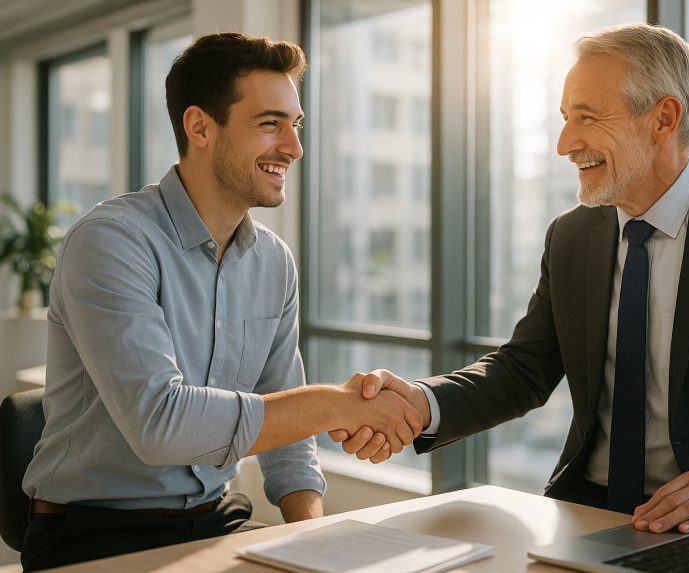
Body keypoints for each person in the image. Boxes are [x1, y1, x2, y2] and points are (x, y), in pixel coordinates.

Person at [332, 23, 689, 535]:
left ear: (663, 118)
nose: (564, 143)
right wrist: (421, 403)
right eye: (564, 118)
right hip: (586, 511)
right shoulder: (571, 234)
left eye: (586, 117)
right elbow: (524, 369)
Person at [20, 32, 421, 572]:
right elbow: (161, 423)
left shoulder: (273, 262)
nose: (293, 148)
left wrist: (315, 537)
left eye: (294, 125)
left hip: (218, 518)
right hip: (95, 533)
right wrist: (335, 403)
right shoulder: (110, 241)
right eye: (269, 124)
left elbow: (286, 424)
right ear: (200, 126)